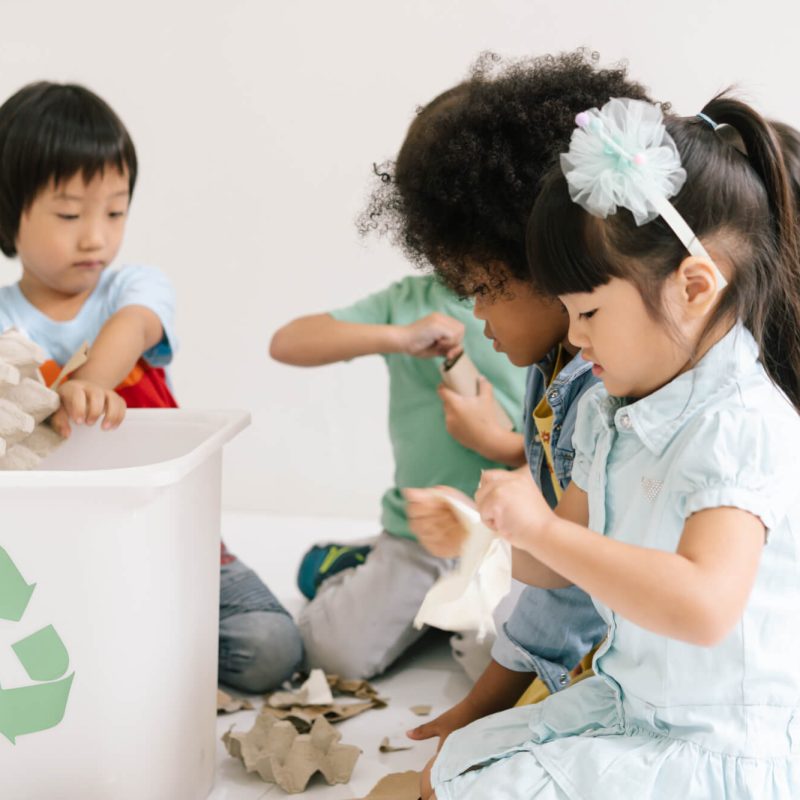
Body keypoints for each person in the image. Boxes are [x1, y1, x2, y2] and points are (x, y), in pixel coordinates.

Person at [426, 95, 800, 799]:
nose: (575, 337)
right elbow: (560, 561)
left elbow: (704, 606)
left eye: (589, 312)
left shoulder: (742, 424)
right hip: (633, 706)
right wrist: (489, 534)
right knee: (443, 773)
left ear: (693, 287)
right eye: (568, 314)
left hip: (716, 747)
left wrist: (536, 527)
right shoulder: (607, 408)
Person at [361, 50, 654, 745]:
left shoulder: (607, 387)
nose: (479, 319)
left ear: (553, 265)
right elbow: (554, 506)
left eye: (485, 290)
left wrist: (480, 711)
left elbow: (565, 592)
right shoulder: (555, 359)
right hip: (562, 620)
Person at [0, 81, 302, 693]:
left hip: (169, 539)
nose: (96, 237)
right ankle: (107, 649)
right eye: (69, 214)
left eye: (115, 211)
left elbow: (132, 328)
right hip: (49, 555)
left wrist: (89, 380)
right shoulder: (5, 324)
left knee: (273, 648)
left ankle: (134, 649)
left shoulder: (131, 288)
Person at [269, 274, 526, 678]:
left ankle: (439, 611)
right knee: (333, 657)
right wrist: (398, 337)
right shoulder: (410, 300)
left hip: (513, 543)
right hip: (419, 537)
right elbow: (287, 343)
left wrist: (493, 442)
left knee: (499, 665)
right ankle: (348, 564)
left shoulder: (545, 302)